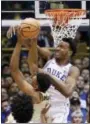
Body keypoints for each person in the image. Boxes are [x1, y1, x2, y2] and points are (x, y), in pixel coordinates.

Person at [7, 25, 79, 123]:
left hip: (58, 109)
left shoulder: (72, 69)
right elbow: (31, 45)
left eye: (61, 47)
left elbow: (67, 91)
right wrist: (23, 32)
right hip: (42, 100)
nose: (57, 48)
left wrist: (46, 75)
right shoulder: (49, 57)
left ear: (70, 52)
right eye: (58, 45)